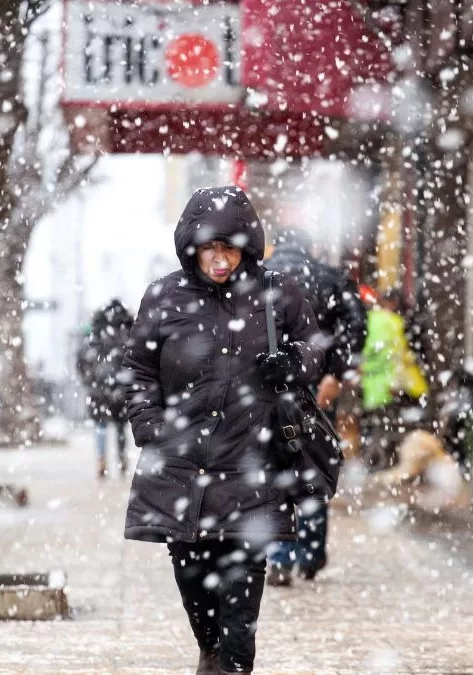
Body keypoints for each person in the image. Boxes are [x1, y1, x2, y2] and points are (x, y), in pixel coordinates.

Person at [121, 186, 324, 675]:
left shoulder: (277, 294)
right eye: (210, 248)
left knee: (243, 583)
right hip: (181, 467)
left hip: (252, 464)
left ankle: (233, 664)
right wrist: (150, 426)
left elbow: (315, 347)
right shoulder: (164, 297)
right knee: (191, 575)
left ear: (246, 248)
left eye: (229, 248)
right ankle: (210, 648)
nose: (219, 259)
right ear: (192, 247)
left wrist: (292, 364)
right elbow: (138, 370)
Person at [262, 228, 367, 586]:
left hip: (269, 386)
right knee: (313, 462)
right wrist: (335, 374)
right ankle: (309, 552)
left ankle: (279, 554)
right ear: (311, 247)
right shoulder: (332, 279)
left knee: (275, 466)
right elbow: (356, 326)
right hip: (317, 385)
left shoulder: (259, 277)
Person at [360, 292, 429, 470]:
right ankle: (384, 464)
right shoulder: (392, 322)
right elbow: (396, 355)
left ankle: (373, 464)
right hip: (388, 383)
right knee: (388, 428)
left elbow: (365, 353)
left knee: (377, 427)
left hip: (372, 384)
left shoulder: (368, 320)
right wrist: (396, 382)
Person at [76, 300, 134, 478]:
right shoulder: (126, 333)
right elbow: (135, 361)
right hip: (120, 389)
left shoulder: (95, 334)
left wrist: (90, 380)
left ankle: (101, 460)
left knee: (101, 426)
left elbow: (82, 360)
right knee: (120, 427)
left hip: (98, 389)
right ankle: (122, 459)